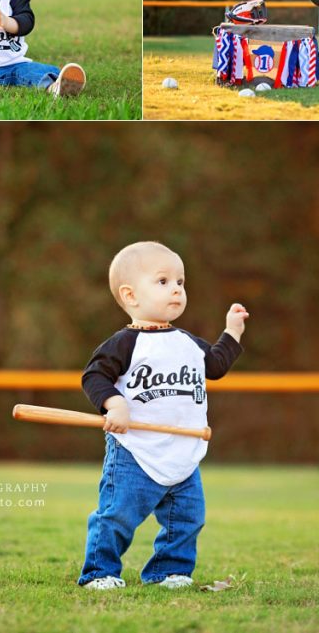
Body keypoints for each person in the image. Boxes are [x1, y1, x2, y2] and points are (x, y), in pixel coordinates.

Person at [77, 241, 249, 590]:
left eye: (180, 282)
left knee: (186, 518)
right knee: (116, 517)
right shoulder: (124, 344)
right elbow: (93, 377)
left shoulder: (186, 342)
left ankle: (169, 572)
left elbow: (214, 366)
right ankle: (100, 572)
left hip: (182, 453)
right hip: (135, 453)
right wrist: (114, 404)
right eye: (163, 281)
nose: (176, 289)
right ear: (130, 295)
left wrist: (232, 333)